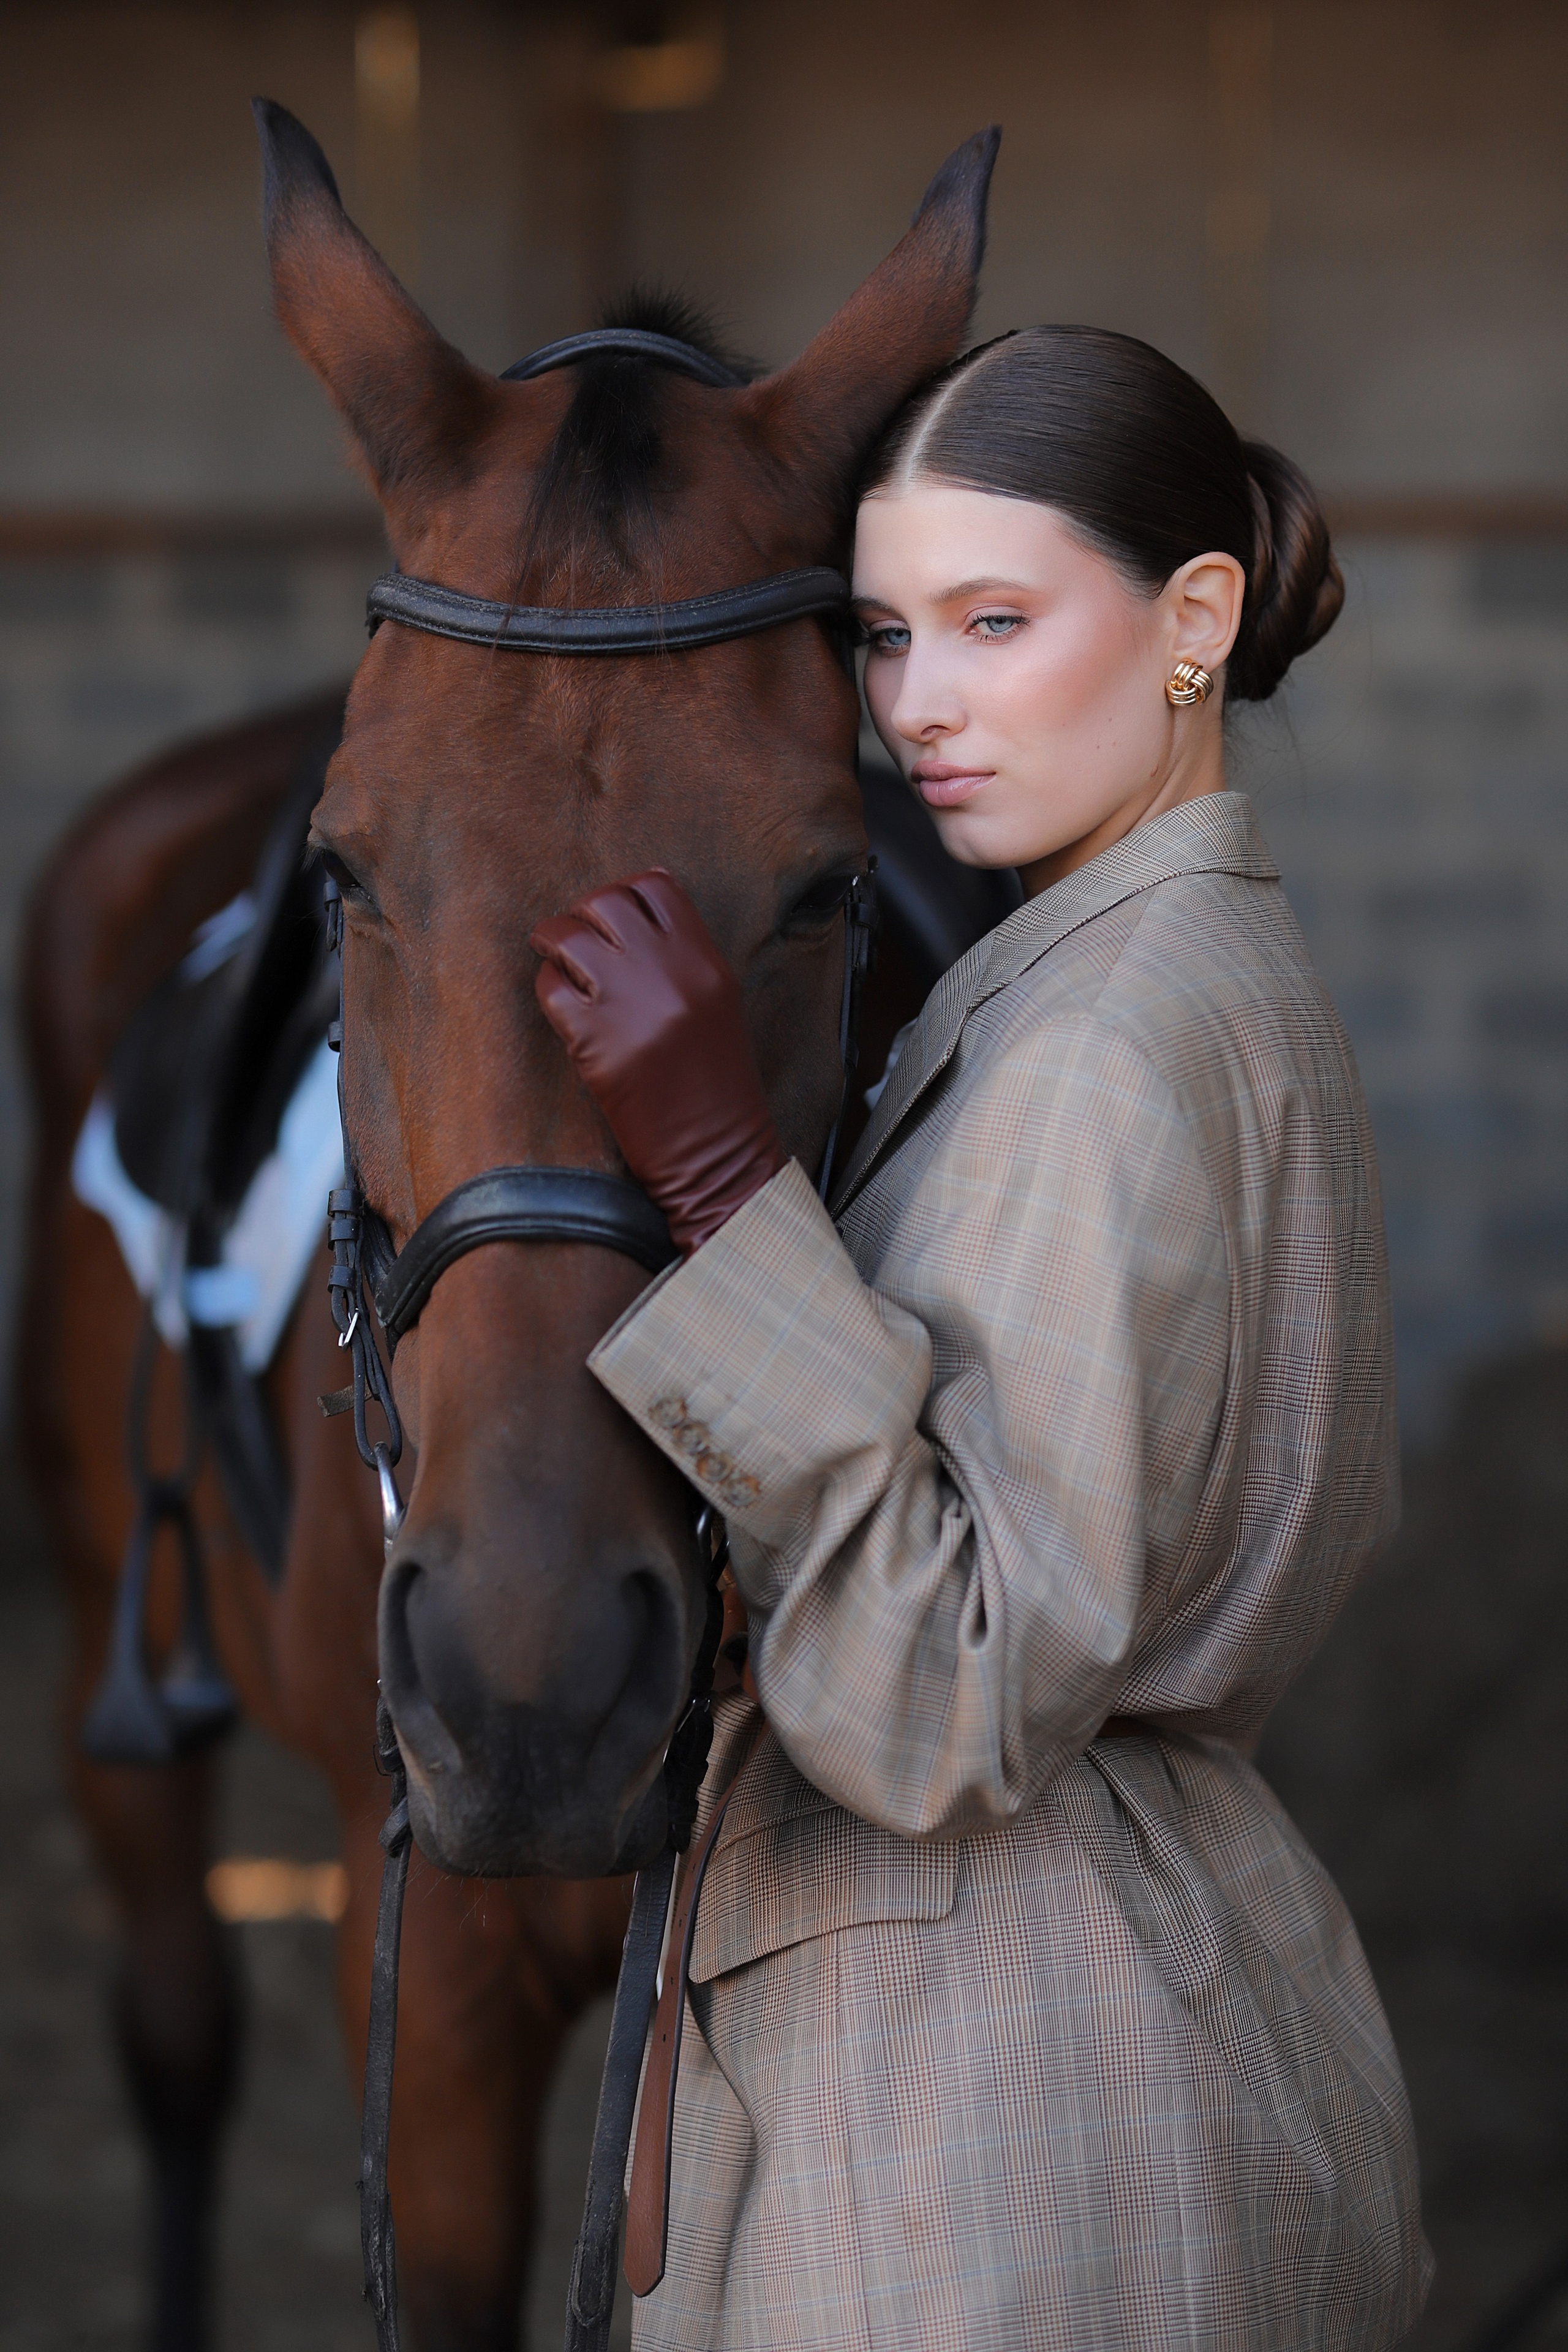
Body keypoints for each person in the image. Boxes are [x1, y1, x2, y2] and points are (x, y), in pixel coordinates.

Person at [530, 325, 1431, 2350]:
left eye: (994, 622)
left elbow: (941, 1697)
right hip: (1070, 2006)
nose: (917, 705)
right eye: (884, 637)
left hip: (1003, 2105)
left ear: (1195, 622)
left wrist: (724, 1188)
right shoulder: (1117, 974)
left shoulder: (1111, 1044)